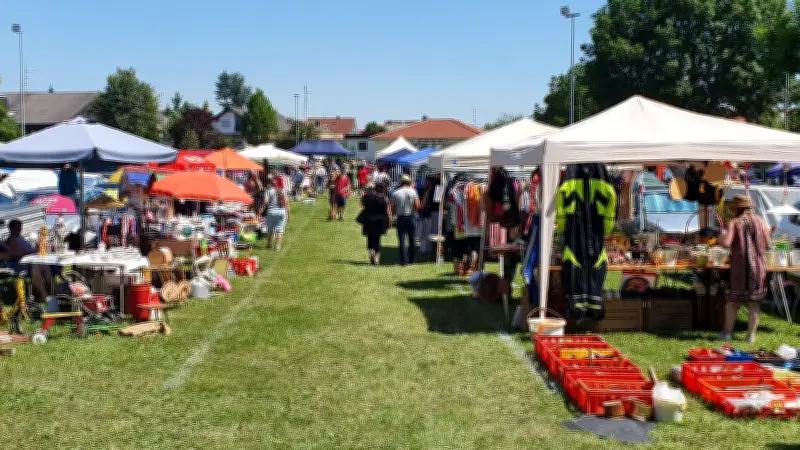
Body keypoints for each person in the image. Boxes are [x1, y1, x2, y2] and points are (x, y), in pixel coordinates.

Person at [719, 195, 771, 343]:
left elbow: (726, 243)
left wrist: (721, 237)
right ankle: (751, 336)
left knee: (733, 302)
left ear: (736, 208)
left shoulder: (734, 223)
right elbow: (768, 243)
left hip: (740, 269)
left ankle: (727, 334)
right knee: (754, 303)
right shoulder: (760, 221)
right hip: (758, 268)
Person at [1, 220, 52, 301]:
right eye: (18, 227)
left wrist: (37, 248)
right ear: (11, 229)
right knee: (35, 267)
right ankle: (44, 295)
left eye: (20, 227)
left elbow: (29, 249)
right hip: (18, 263)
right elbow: (14, 253)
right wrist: (25, 252)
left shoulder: (21, 238)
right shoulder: (11, 239)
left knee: (45, 266)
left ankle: (51, 292)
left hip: (28, 260)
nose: (20, 229)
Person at [390, 174, 420, 266]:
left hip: (401, 218)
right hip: (411, 217)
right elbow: (418, 206)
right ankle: (412, 260)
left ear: (401, 182)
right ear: (409, 182)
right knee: (412, 240)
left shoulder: (395, 193)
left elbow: (392, 208)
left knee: (402, 240)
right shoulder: (413, 191)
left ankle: (404, 261)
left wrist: (395, 213)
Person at [360, 183, 390, 265]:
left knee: (369, 238)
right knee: (377, 239)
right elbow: (387, 211)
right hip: (379, 221)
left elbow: (362, 204)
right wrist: (389, 221)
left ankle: (371, 255)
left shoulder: (368, 196)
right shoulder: (384, 198)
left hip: (368, 219)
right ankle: (376, 257)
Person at [262, 176, 289, 250]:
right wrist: (288, 214)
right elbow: (286, 203)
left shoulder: (268, 191)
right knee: (279, 230)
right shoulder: (283, 191)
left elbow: (266, 202)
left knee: (270, 230)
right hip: (282, 212)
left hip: (271, 212)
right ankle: (277, 246)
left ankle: (268, 244)